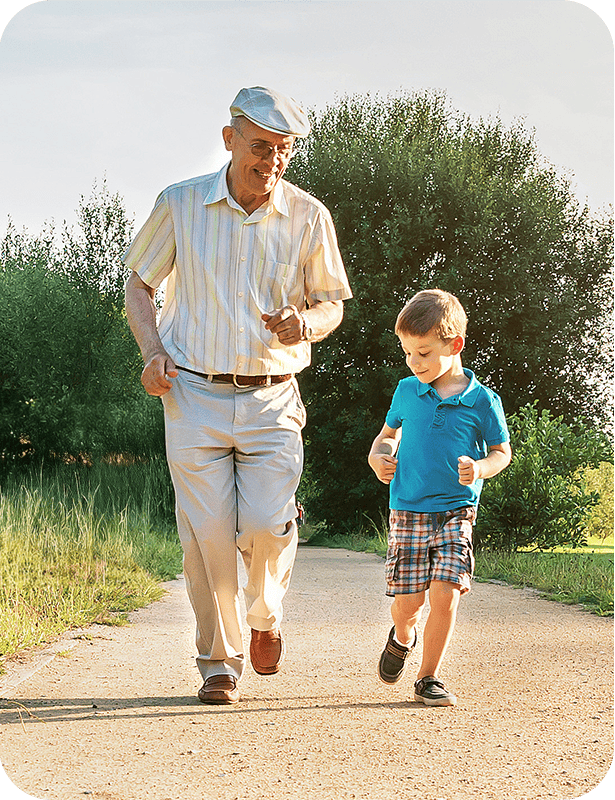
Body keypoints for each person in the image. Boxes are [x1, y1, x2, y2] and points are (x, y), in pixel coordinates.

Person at [124, 86, 352, 705]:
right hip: (192, 392)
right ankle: (218, 663)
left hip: (273, 397)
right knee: (207, 534)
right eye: (260, 148)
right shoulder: (180, 204)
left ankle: (266, 616)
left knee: (266, 526)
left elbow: (332, 301)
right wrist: (151, 353)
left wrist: (308, 323)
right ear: (229, 139)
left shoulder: (309, 216)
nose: (271, 161)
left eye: (282, 151)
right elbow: (140, 285)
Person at [368, 289, 511, 706]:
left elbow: (502, 452)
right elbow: (385, 437)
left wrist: (481, 468)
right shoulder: (407, 391)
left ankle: (428, 676)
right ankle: (402, 635)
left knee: (446, 592)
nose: (415, 363)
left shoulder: (483, 401)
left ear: (455, 345)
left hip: (457, 510)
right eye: (408, 353)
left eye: (424, 353)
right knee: (408, 603)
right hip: (408, 509)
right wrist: (379, 458)